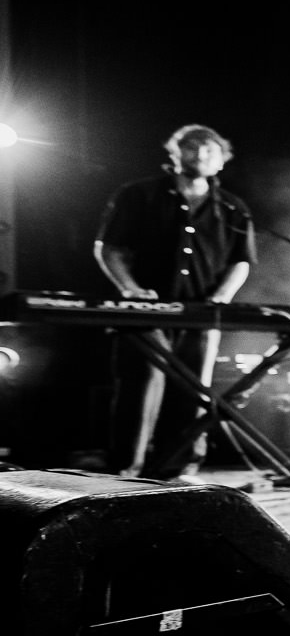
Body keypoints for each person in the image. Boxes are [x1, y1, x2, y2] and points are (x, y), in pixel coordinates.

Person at [94, 124, 255, 479]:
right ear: (174, 153)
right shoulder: (138, 195)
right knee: (141, 387)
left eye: (209, 150)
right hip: (144, 313)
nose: (200, 155)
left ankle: (179, 469)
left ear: (222, 161)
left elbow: (240, 261)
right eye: (191, 148)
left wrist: (223, 295)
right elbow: (110, 248)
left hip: (201, 314)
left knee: (193, 390)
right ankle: (126, 471)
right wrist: (130, 288)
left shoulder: (232, 208)